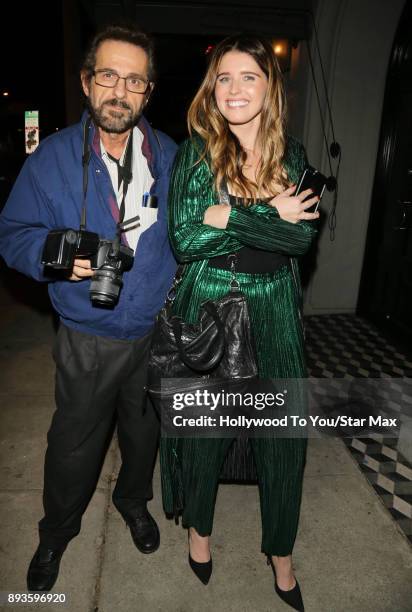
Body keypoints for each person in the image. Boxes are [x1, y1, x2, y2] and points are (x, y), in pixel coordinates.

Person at [0, 24, 177, 591]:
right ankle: (56, 531)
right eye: (108, 75)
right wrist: (51, 251)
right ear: (86, 81)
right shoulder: (51, 158)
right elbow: (12, 233)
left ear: (148, 92)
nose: (119, 91)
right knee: (74, 443)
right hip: (86, 334)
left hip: (153, 331)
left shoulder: (172, 156)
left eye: (134, 80)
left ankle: (133, 501)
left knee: (144, 434)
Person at [160, 35, 318, 611]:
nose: (234, 89)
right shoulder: (195, 154)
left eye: (248, 76)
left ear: (269, 86)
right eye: (223, 77)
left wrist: (228, 213)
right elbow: (185, 237)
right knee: (205, 434)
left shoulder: (293, 156)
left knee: (283, 441)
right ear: (211, 89)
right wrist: (265, 212)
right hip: (210, 302)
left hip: (274, 303)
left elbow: (298, 238)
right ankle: (199, 532)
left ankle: (281, 553)